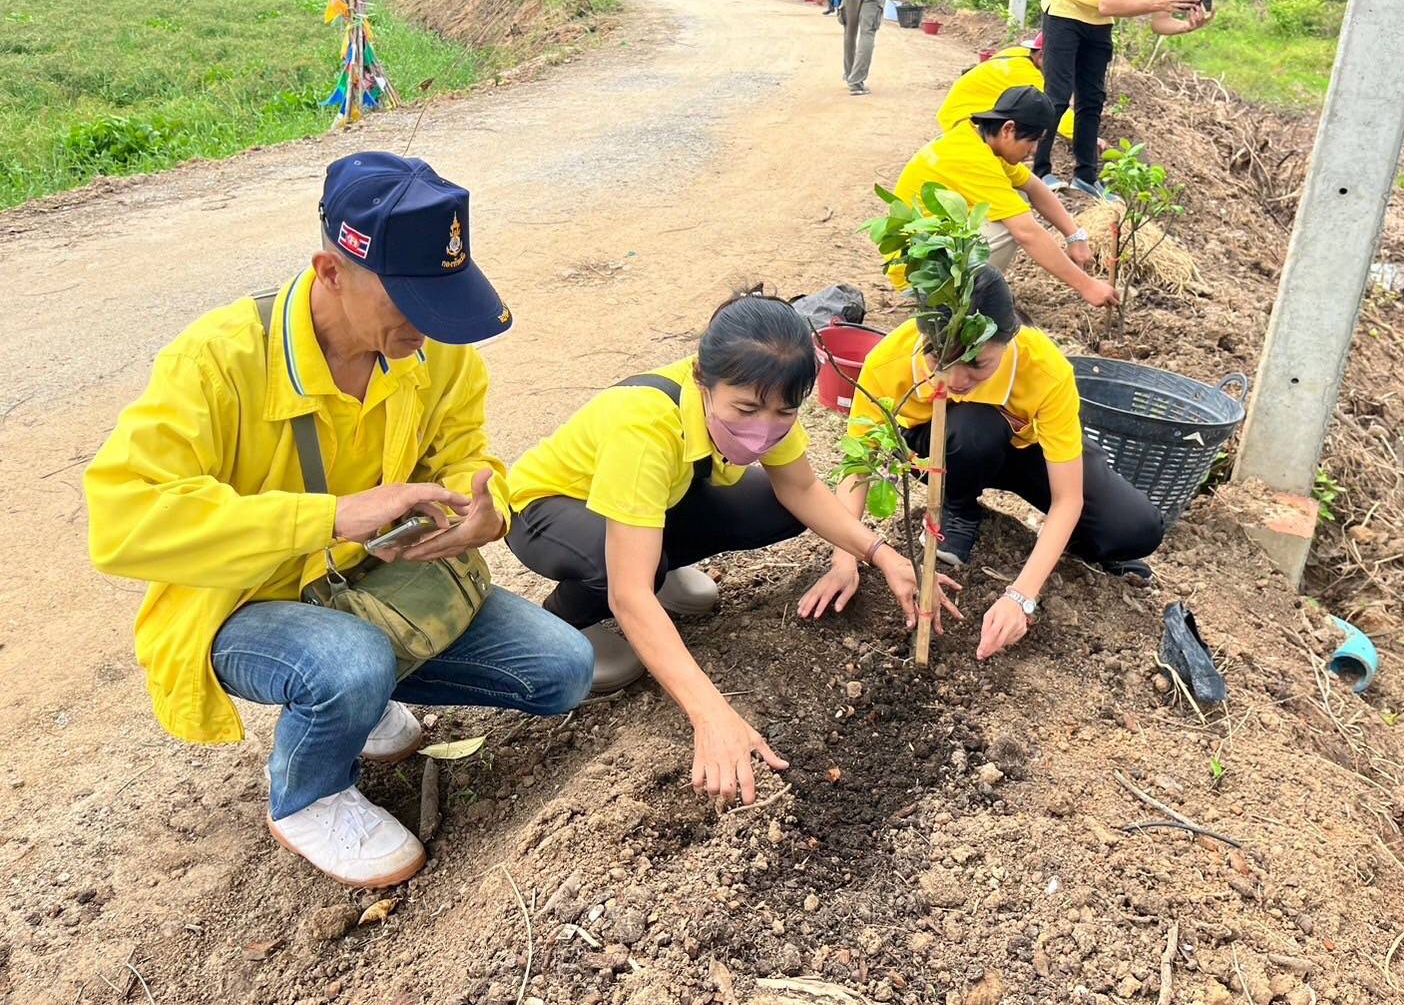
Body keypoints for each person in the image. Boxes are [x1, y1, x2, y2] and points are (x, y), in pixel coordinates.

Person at [84, 153, 594, 888]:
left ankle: (362, 697)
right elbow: (123, 517)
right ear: (330, 272)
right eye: (409, 301)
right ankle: (307, 796)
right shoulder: (217, 360)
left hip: (374, 587)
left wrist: (487, 508)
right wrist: (331, 516)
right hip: (243, 604)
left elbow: (467, 455)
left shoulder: (434, 351)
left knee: (562, 672)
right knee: (348, 663)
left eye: (441, 298)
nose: (429, 325)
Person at [505, 295, 958, 805]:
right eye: (745, 409)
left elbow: (803, 491)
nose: (764, 428)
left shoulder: (767, 397)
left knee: (777, 507)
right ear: (703, 377)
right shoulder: (644, 428)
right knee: (636, 574)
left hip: (649, 502)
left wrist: (883, 554)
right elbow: (630, 594)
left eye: (783, 412)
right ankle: (566, 620)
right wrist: (712, 714)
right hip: (548, 510)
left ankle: (658, 560)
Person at [798, 269, 1164, 661]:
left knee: (1135, 530)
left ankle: (1060, 542)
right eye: (939, 356)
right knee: (973, 428)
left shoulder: (1044, 368)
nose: (955, 378)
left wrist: (1020, 596)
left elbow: (1067, 498)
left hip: (1027, 450)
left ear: (1008, 341)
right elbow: (860, 463)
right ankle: (958, 512)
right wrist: (844, 559)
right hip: (942, 448)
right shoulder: (890, 360)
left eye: (977, 364)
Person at [1033, 0, 1236, 198]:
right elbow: (1108, 2)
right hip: (1067, 7)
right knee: (1058, 95)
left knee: (1092, 99)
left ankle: (1086, 177)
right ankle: (1039, 173)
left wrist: (1187, 26)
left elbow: (1159, 23)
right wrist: (1159, 1)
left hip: (1099, 22)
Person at [891, 85, 1119, 308]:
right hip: (919, 278)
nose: (1033, 150)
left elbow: (1033, 186)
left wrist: (1074, 236)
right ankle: (958, 300)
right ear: (1008, 129)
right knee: (1010, 226)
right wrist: (1087, 286)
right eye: (1032, 140)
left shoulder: (980, 138)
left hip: (928, 253)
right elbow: (1027, 233)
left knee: (1019, 194)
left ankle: (970, 289)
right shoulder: (973, 158)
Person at [937, 32, 1079, 144]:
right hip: (963, 119)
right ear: (1041, 55)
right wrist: (1082, 135)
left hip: (960, 110)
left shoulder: (1019, 54)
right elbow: (1052, 107)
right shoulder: (1024, 72)